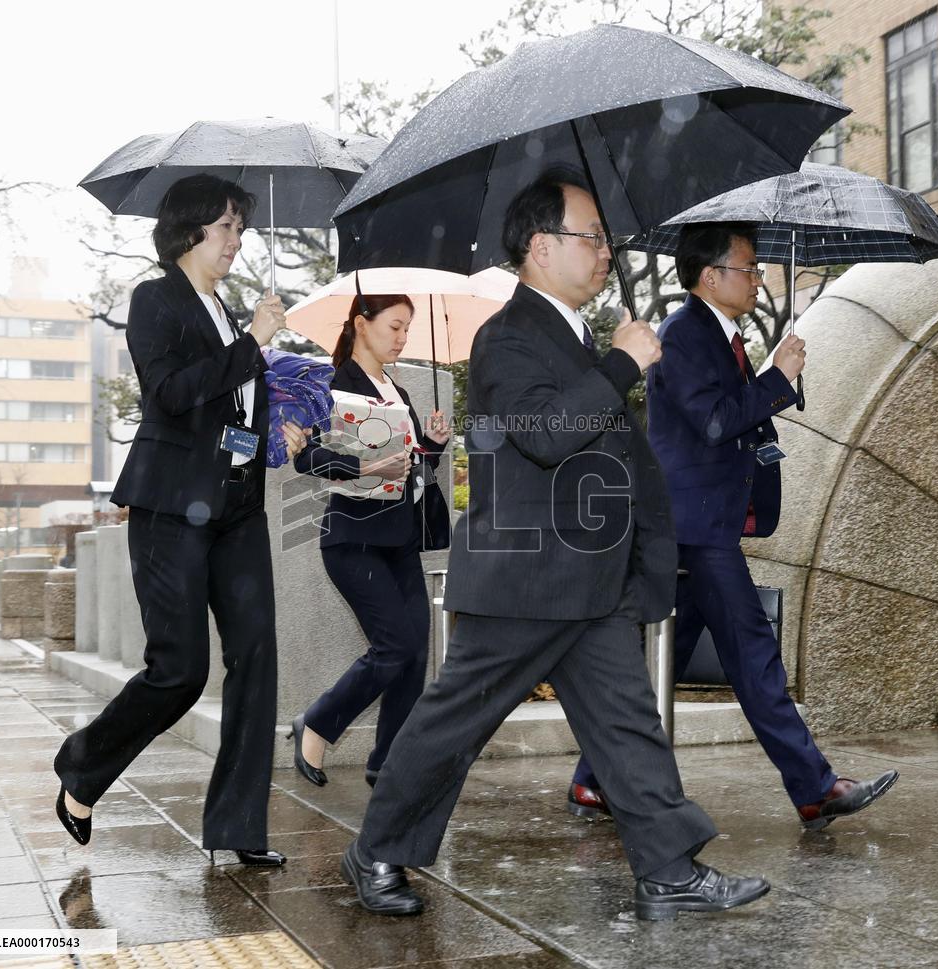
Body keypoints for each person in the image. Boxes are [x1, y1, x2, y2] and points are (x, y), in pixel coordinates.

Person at [338, 170, 771, 922]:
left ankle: (668, 867)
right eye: (591, 235)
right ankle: (376, 847)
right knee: (453, 722)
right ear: (540, 247)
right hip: (525, 578)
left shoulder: (571, 333)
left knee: (627, 719)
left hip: (586, 575)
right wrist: (623, 364)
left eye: (604, 237)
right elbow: (545, 435)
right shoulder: (507, 336)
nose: (605, 250)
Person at [567, 221, 898, 830]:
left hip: (702, 524)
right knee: (753, 655)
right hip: (694, 527)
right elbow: (715, 422)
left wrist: (775, 377)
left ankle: (592, 779)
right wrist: (777, 379)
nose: (756, 278)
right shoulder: (685, 334)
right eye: (747, 268)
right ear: (711, 275)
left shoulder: (722, 336)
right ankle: (814, 788)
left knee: (659, 663)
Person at [53, 174, 308, 866]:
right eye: (227, 226)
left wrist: (273, 434)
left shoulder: (229, 312)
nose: (237, 240)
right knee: (180, 670)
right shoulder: (156, 300)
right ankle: (82, 763)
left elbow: (229, 410)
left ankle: (239, 825)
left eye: (240, 228)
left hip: (237, 508)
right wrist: (251, 341)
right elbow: (170, 395)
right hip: (171, 507)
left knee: (257, 658)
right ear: (191, 229)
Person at [289, 294, 451, 788]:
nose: (402, 339)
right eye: (395, 327)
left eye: (407, 330)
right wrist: (366, 467)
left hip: (399, 538)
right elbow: (306, 458)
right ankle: (316, 724)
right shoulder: (334, 384)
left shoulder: (395, 389)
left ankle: (387, 763)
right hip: (352, 538)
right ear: (362, 324)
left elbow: (411, 462)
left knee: (414, 651)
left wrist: (434, 444)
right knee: (393, 646)